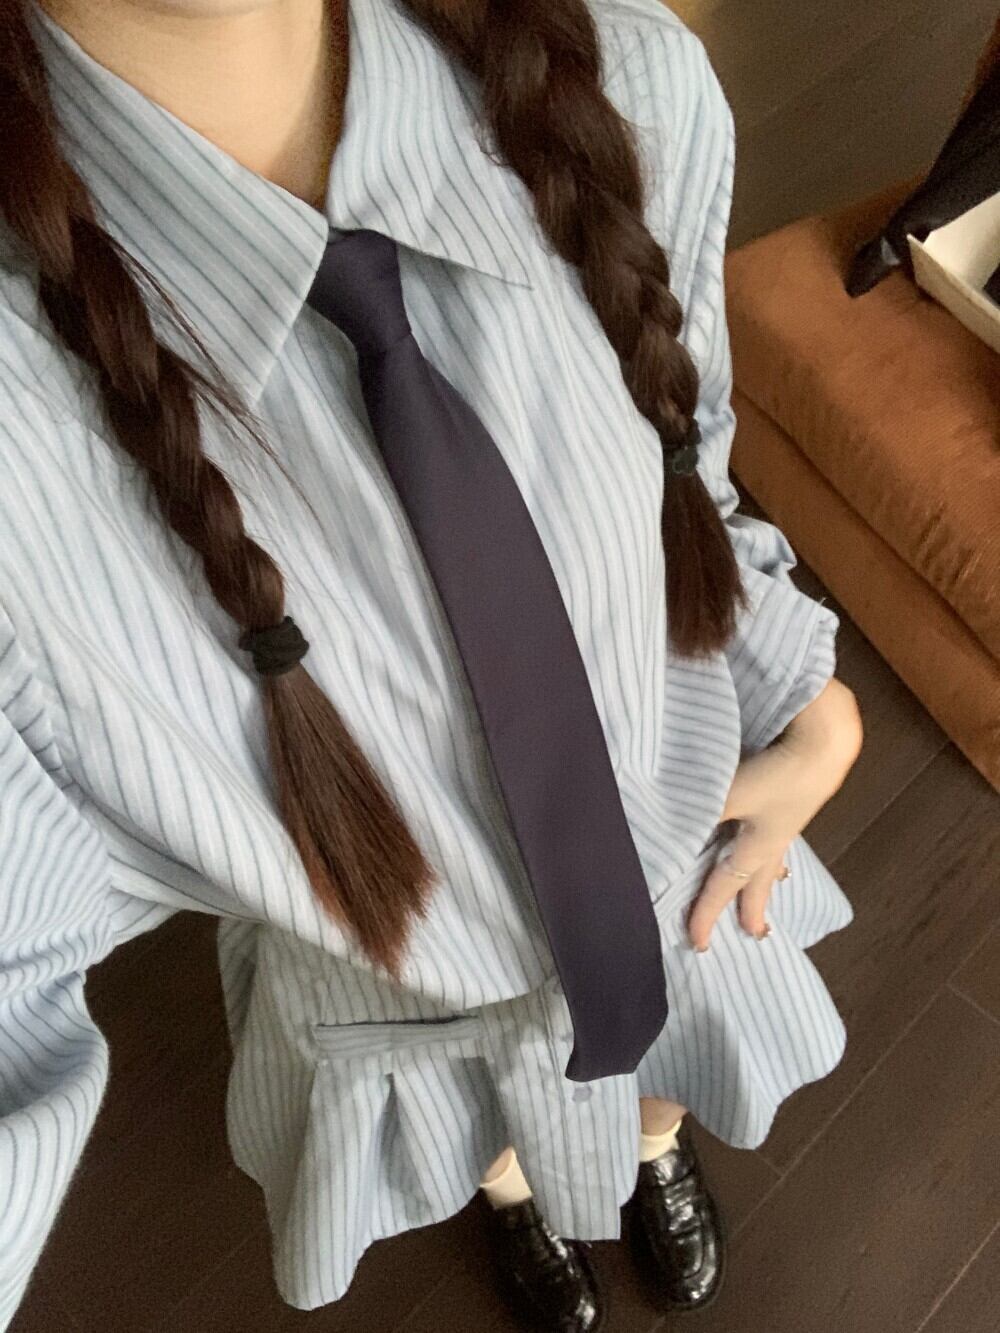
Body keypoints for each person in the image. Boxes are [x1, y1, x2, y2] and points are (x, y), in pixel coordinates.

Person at [0, 0, 864, 1329]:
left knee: (655, 1086)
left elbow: (688, 461)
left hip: (681, 886)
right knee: (490, 1136)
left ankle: (650, 1151)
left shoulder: (631, 86)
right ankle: (516, 1197)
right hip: (406, 1016)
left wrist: (807, 691)